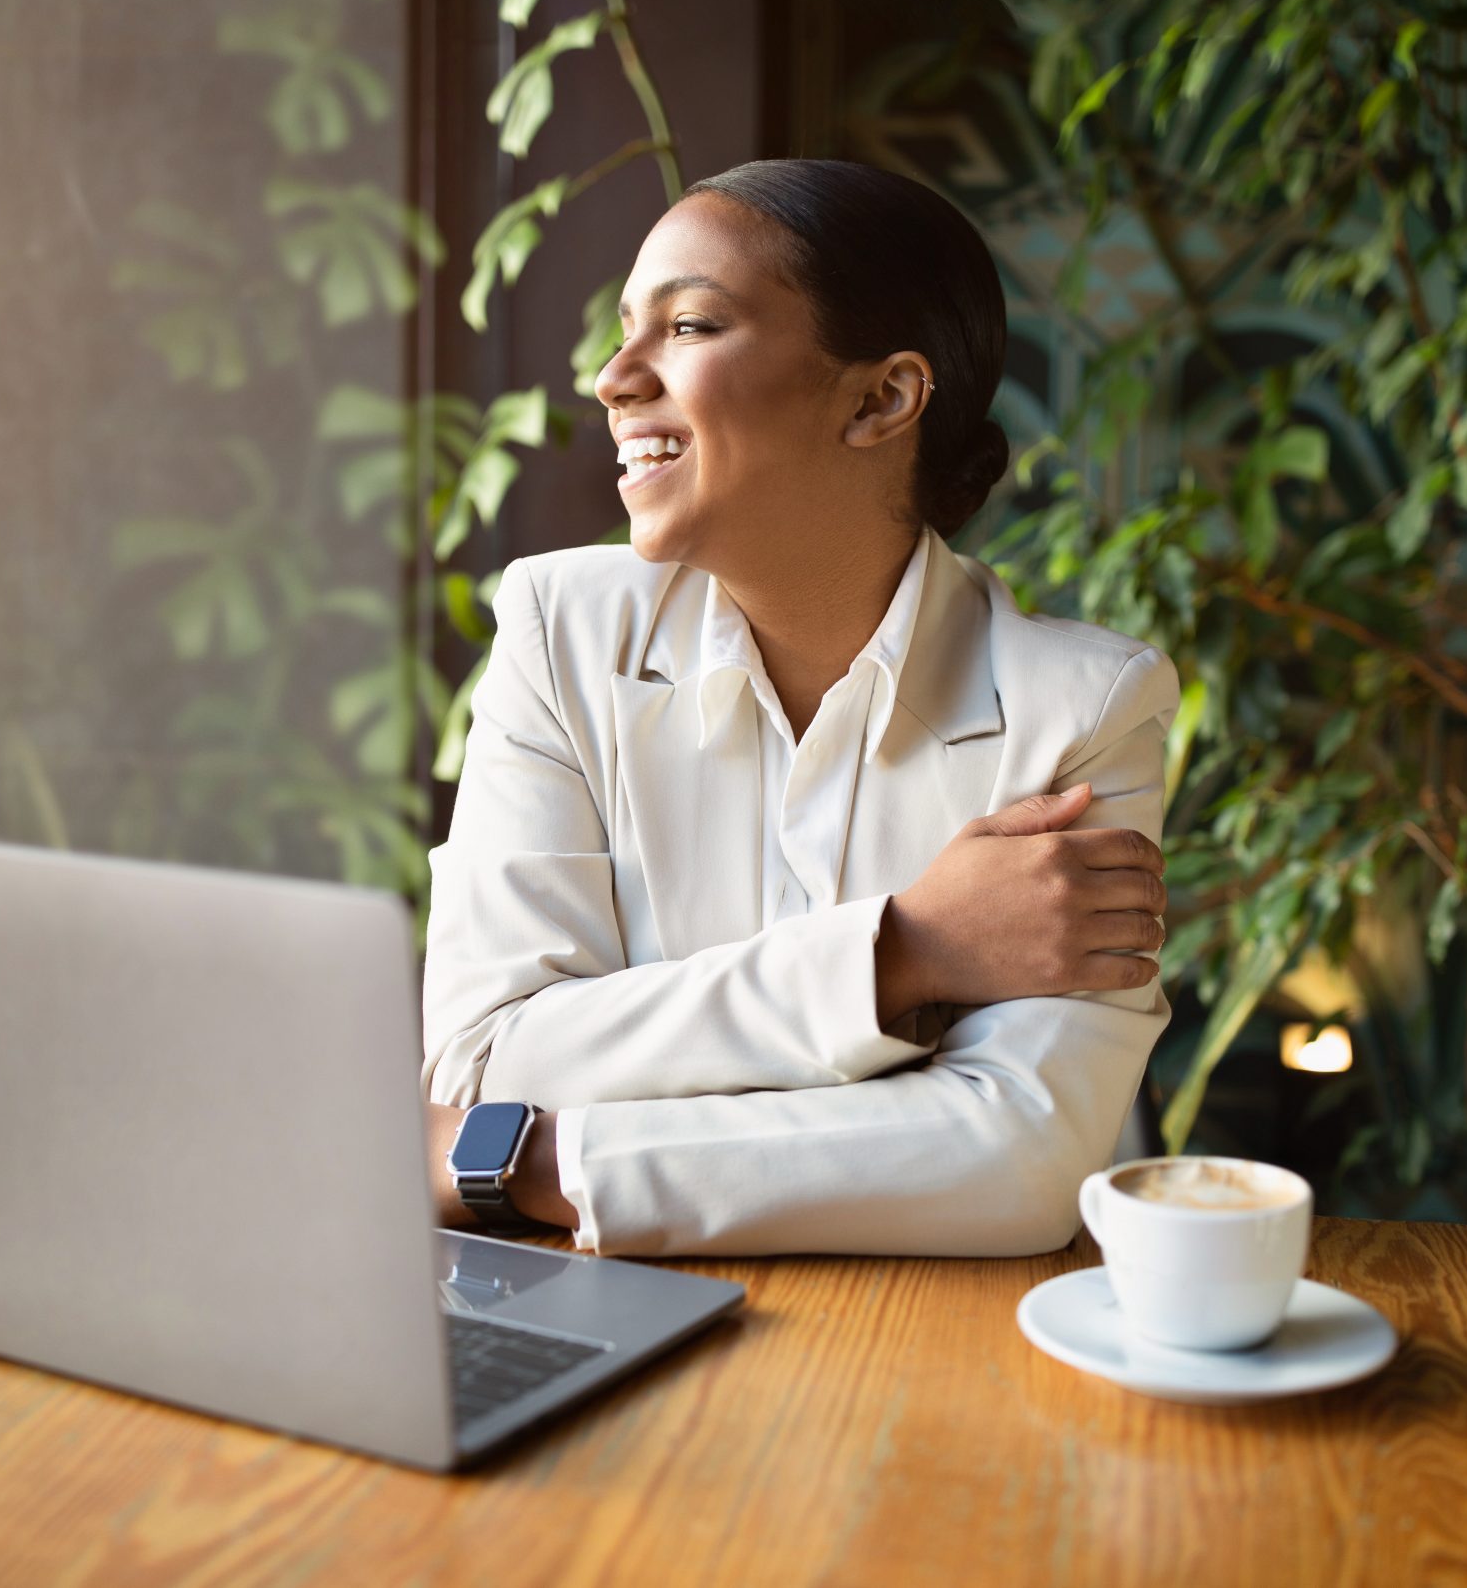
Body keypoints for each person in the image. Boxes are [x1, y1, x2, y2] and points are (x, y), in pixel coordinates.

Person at [419, 158, 1180, 1257]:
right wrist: (902, 955)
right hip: (597, 1314)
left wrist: (533, 1160)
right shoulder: (560, 632)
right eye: (626, 330)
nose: (614, 377)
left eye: (688, 326)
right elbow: (488, 1061)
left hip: (938, 1351)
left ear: (880, 398)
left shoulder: (1081, 711)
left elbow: (1015, 1159)